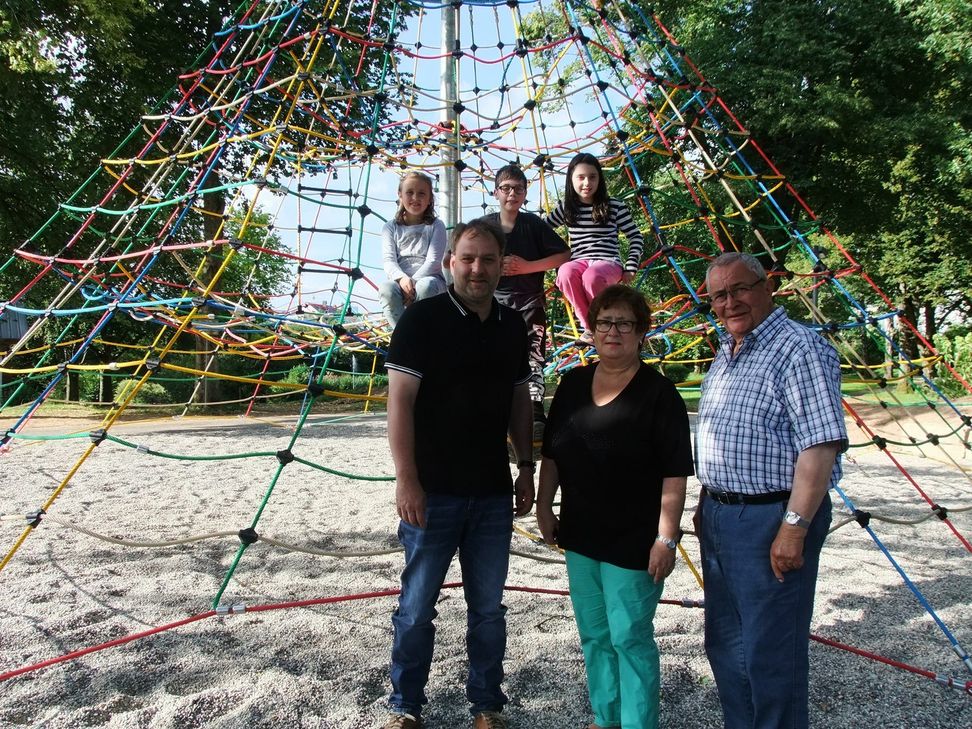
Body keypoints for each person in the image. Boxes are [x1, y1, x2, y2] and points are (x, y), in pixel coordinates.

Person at [382, 217, 535, 729]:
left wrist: (526, 467)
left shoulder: (513, 325)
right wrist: (407, 478)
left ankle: (486, 705)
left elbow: (519, 400)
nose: (477, 268)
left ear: (501, 266)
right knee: (416, 606)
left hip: (490, 491)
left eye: (488, 260)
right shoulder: (421, 320)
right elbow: (400, 404)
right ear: (449, 262)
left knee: (489, 609)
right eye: (467, 258)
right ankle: (406, 706)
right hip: (434, 490)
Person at [694, 251, 847, 729]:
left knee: (769, 652)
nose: (729, 302)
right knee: (726, 646)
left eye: (739, 289)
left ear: (767, 286)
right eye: (719, 295)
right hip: (721, 515)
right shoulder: (728, 348)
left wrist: (795, 527)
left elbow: (820, 446)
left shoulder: (800, 347)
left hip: (772, 517)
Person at [536, 284, 693, 729]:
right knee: (595, 635)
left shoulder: (659, 395)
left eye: (625, 324)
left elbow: (674, 474)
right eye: (605, 322)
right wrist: (546, 506)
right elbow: (553, 455)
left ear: (642, 332)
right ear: (592, 329)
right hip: (582, 532)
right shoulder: (572, 384)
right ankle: (606, 720)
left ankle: (638, 724)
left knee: (629, 636)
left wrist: (666, 537)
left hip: (634, 538)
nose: (613, 332)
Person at [485, 164, 570, 433]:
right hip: (494, 304)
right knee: (495, 358)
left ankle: (534, 413)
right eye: (506, 188)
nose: (512, 193)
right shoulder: (485, 226)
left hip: (530, 302)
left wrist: (528, 266)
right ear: (496, 192)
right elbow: (456, 257)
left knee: (533, 357)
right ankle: (496, 411)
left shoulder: (533, 224)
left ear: (524, 193)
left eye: (518, 189)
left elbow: (564, 255)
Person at [544, 153, 644, 336]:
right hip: (579, 260)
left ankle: (605, 320)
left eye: (592, 177)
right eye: (580, 177)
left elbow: (635, 236)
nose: (586, 183)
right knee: (565, 272)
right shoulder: (567, 209)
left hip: (607, 261)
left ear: (599, 179)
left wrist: (631, 266)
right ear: (571, 180)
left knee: (591, 277)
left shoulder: (614, 206)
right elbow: (541, 229)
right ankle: (590, 328)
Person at [379, 171, 447, 328]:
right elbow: (389, 261)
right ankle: (401, 333)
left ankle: (422, 331)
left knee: (426, 286)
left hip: (430, 281)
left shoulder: (436, 225)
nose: (415, 198)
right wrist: (403, 280)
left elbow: (434, 261)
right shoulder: (390, 227)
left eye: (422, 193)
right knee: (386, 288)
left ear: (430, 199)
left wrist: (413, 283)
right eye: (409, 192)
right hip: (401, 282)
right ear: (400, 195)